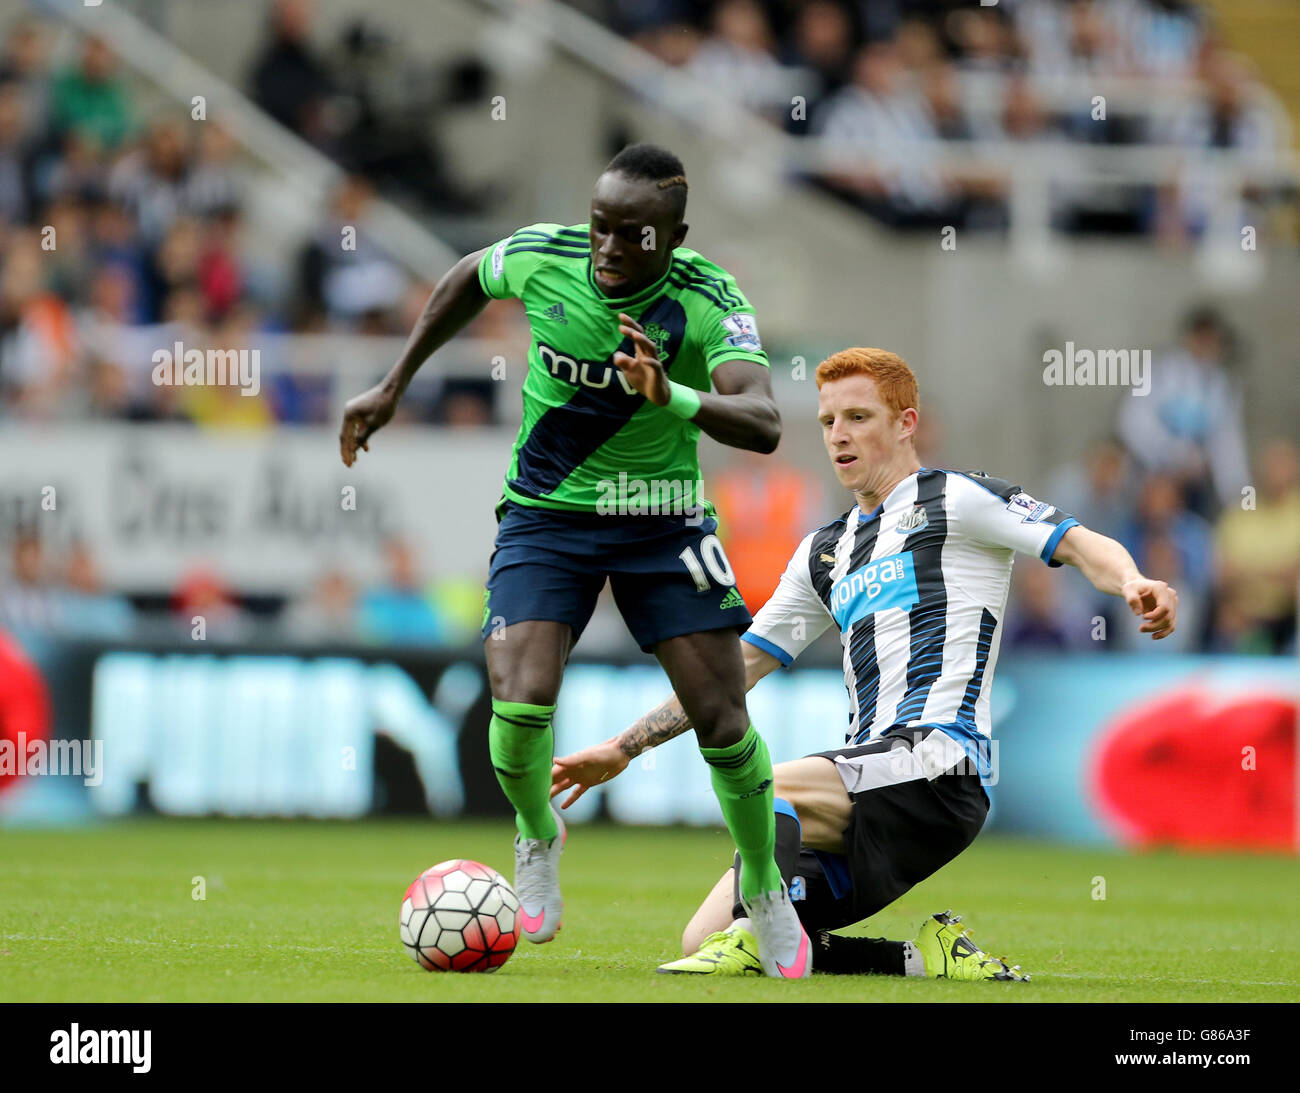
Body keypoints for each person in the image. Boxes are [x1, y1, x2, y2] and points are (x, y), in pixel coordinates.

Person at [552, 348, 1179, 979]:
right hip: (865, 789)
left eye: (858, 416)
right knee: (705, 937)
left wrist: (1132, 581)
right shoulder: (824, 552)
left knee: (761, 783)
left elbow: (1075, 542)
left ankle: (766, 926)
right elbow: (733, 671)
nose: (839, 435)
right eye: (828, 422)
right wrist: (624, 748)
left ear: (906, 423)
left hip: (941, 762)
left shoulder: (956, 499)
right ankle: (924, 960)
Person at [338, 143, 810, 978]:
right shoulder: (543, 254)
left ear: (676, 237)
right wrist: (393, 384)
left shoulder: (708, 298)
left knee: (724, 722)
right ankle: (537, 830)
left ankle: (765, 885)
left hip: (662, 523)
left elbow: (764, 421)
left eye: (634, 235)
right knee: (519, 702)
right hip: (545, 518)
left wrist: (673, 396)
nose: (611, 248)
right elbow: (463, 279)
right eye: (602, 227)